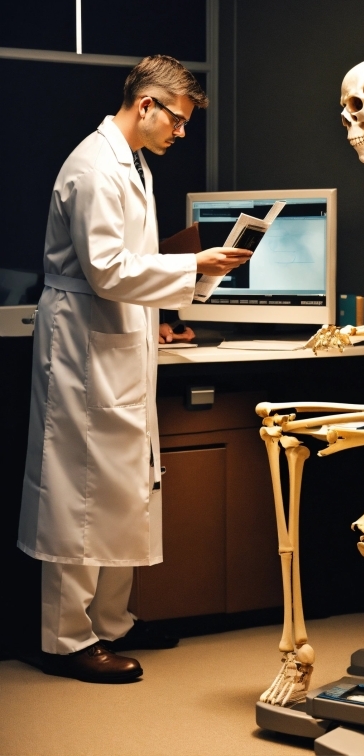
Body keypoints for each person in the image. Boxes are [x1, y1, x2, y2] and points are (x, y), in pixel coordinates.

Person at [17, 55, 251, 683]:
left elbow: (132, 263)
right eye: (177, 119)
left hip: (117, 335)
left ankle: (112, 623)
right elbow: (107, 270)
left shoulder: (134, 164)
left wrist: (187, 285)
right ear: (145, 105)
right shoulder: (94, 167)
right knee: (78, 492)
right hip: (83, 344)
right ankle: (65, 638)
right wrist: (194, 266)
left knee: (123, 484)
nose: (181, 132)